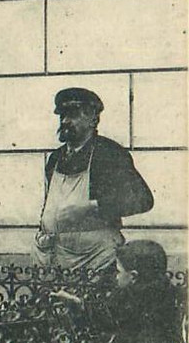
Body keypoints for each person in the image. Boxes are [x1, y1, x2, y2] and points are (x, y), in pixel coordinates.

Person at [32, 87, 153, 272]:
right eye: (62, 116)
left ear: (93, 119)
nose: (65, 121)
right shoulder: (55, 158)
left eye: (72, 116)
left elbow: (142, 200)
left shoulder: (109, 154)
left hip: (95, 259)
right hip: (52, 257)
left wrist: (91, 207)